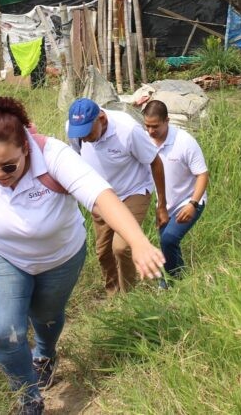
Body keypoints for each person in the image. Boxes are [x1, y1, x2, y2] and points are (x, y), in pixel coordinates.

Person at [0, 95, 165, 415]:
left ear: (25, 146)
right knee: (2, 331)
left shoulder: (54, 155)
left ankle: (45, 353)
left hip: (60, 256)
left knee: (47, 317)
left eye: (9, 166)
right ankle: (29, 398)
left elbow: (101, 196)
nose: (0, 174)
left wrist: (139, 242)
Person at [66, 98, 167, 295]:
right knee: (103, 252)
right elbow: (75, 158)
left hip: (133, 191)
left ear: (101, 118)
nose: (84, 139)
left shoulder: (128, 130)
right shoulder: (75, 129)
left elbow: (155, 162)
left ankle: (129, 298)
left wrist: (162, 204)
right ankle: (114, 295)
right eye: (80, 134)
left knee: (120, 248)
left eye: (88, 133)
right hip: (102, 194)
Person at [141, 100, 209, 279]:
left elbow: (202, 174)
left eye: (155, 126)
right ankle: (178, 278)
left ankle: (171, 281)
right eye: (147, 126)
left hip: (189, 200)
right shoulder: (144, 140)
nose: (150, 131)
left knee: (169, 239)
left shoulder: (185, 142)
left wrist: (193, 204)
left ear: (167, 120)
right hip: (164, 203)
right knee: (166, 243)